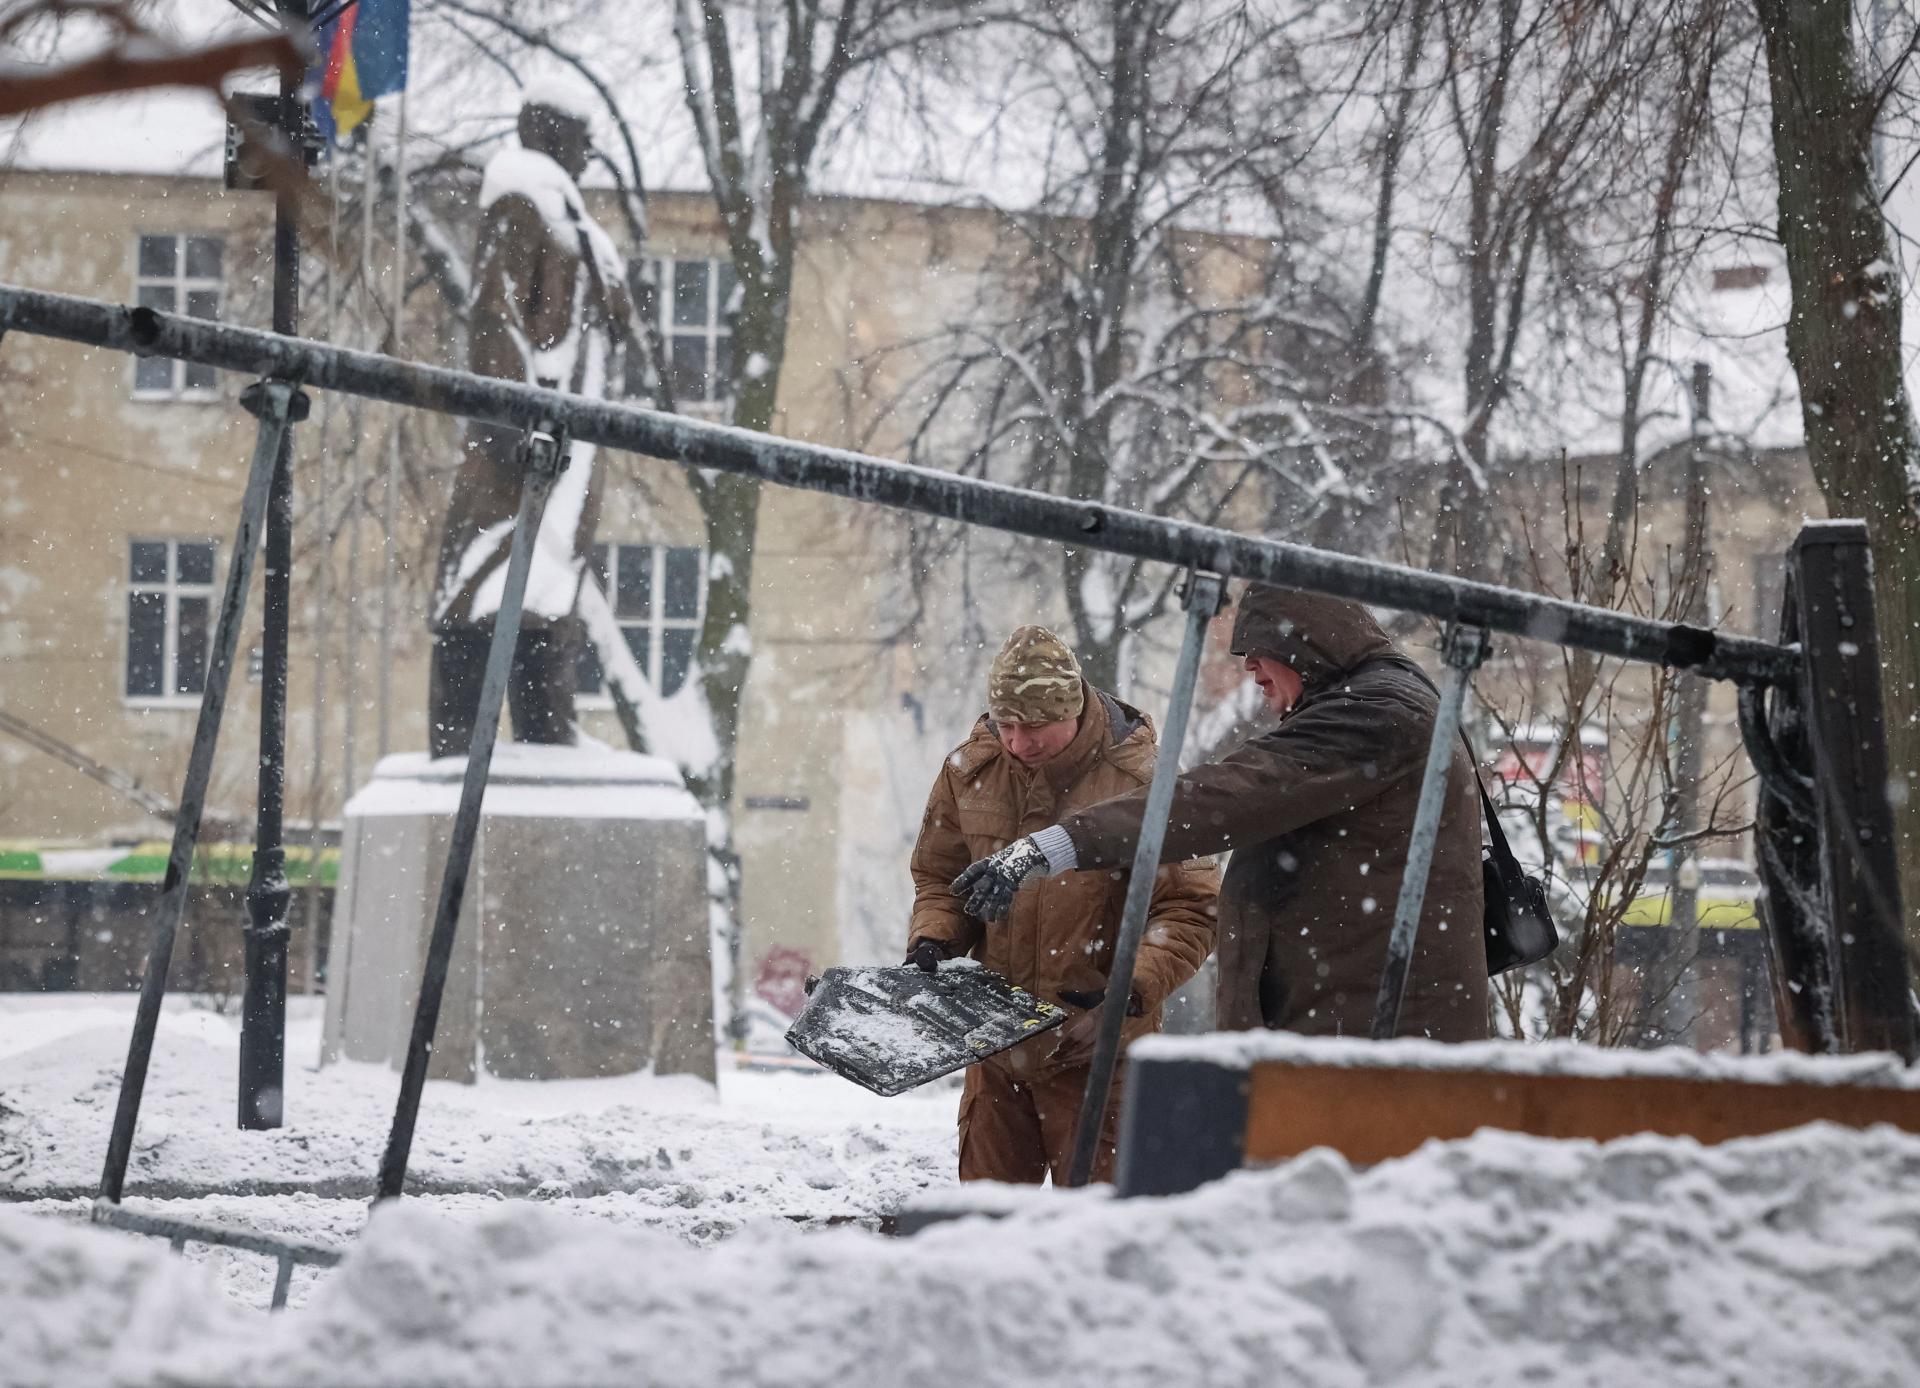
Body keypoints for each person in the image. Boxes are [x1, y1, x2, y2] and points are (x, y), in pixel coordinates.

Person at [954, 587, 1489, 1042]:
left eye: (1260, 647)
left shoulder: (1374, 715)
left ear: (1307, 642)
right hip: (1352, 1018)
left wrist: (1055, 845)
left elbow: (1221, 798)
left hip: (1363, 1028)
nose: (1248, 664)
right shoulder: (1380, 704)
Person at [908, 626, 1219, 1184]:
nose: (1017, 743)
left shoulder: (1145, 781)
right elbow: (939, 877)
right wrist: (934, 938)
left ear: (1072, 711)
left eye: (1035, 727)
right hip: (996, 1053)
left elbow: (1191, 910)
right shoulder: (969, 772)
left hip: (1102, 1057)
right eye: (1005, 724)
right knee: (985, 1234)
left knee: (1099, 1241)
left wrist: (1127, 990)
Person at [428, 86, 633, 758]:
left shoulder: (576, 223)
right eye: (579, 137)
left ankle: (547, 755)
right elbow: (496, 317)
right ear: (550, 134)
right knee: (481, 596)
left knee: (544, 606)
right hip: (524, 453)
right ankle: (458, 761)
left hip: (569, 455)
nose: (589, 152)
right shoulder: (524, 199)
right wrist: (515, 427)